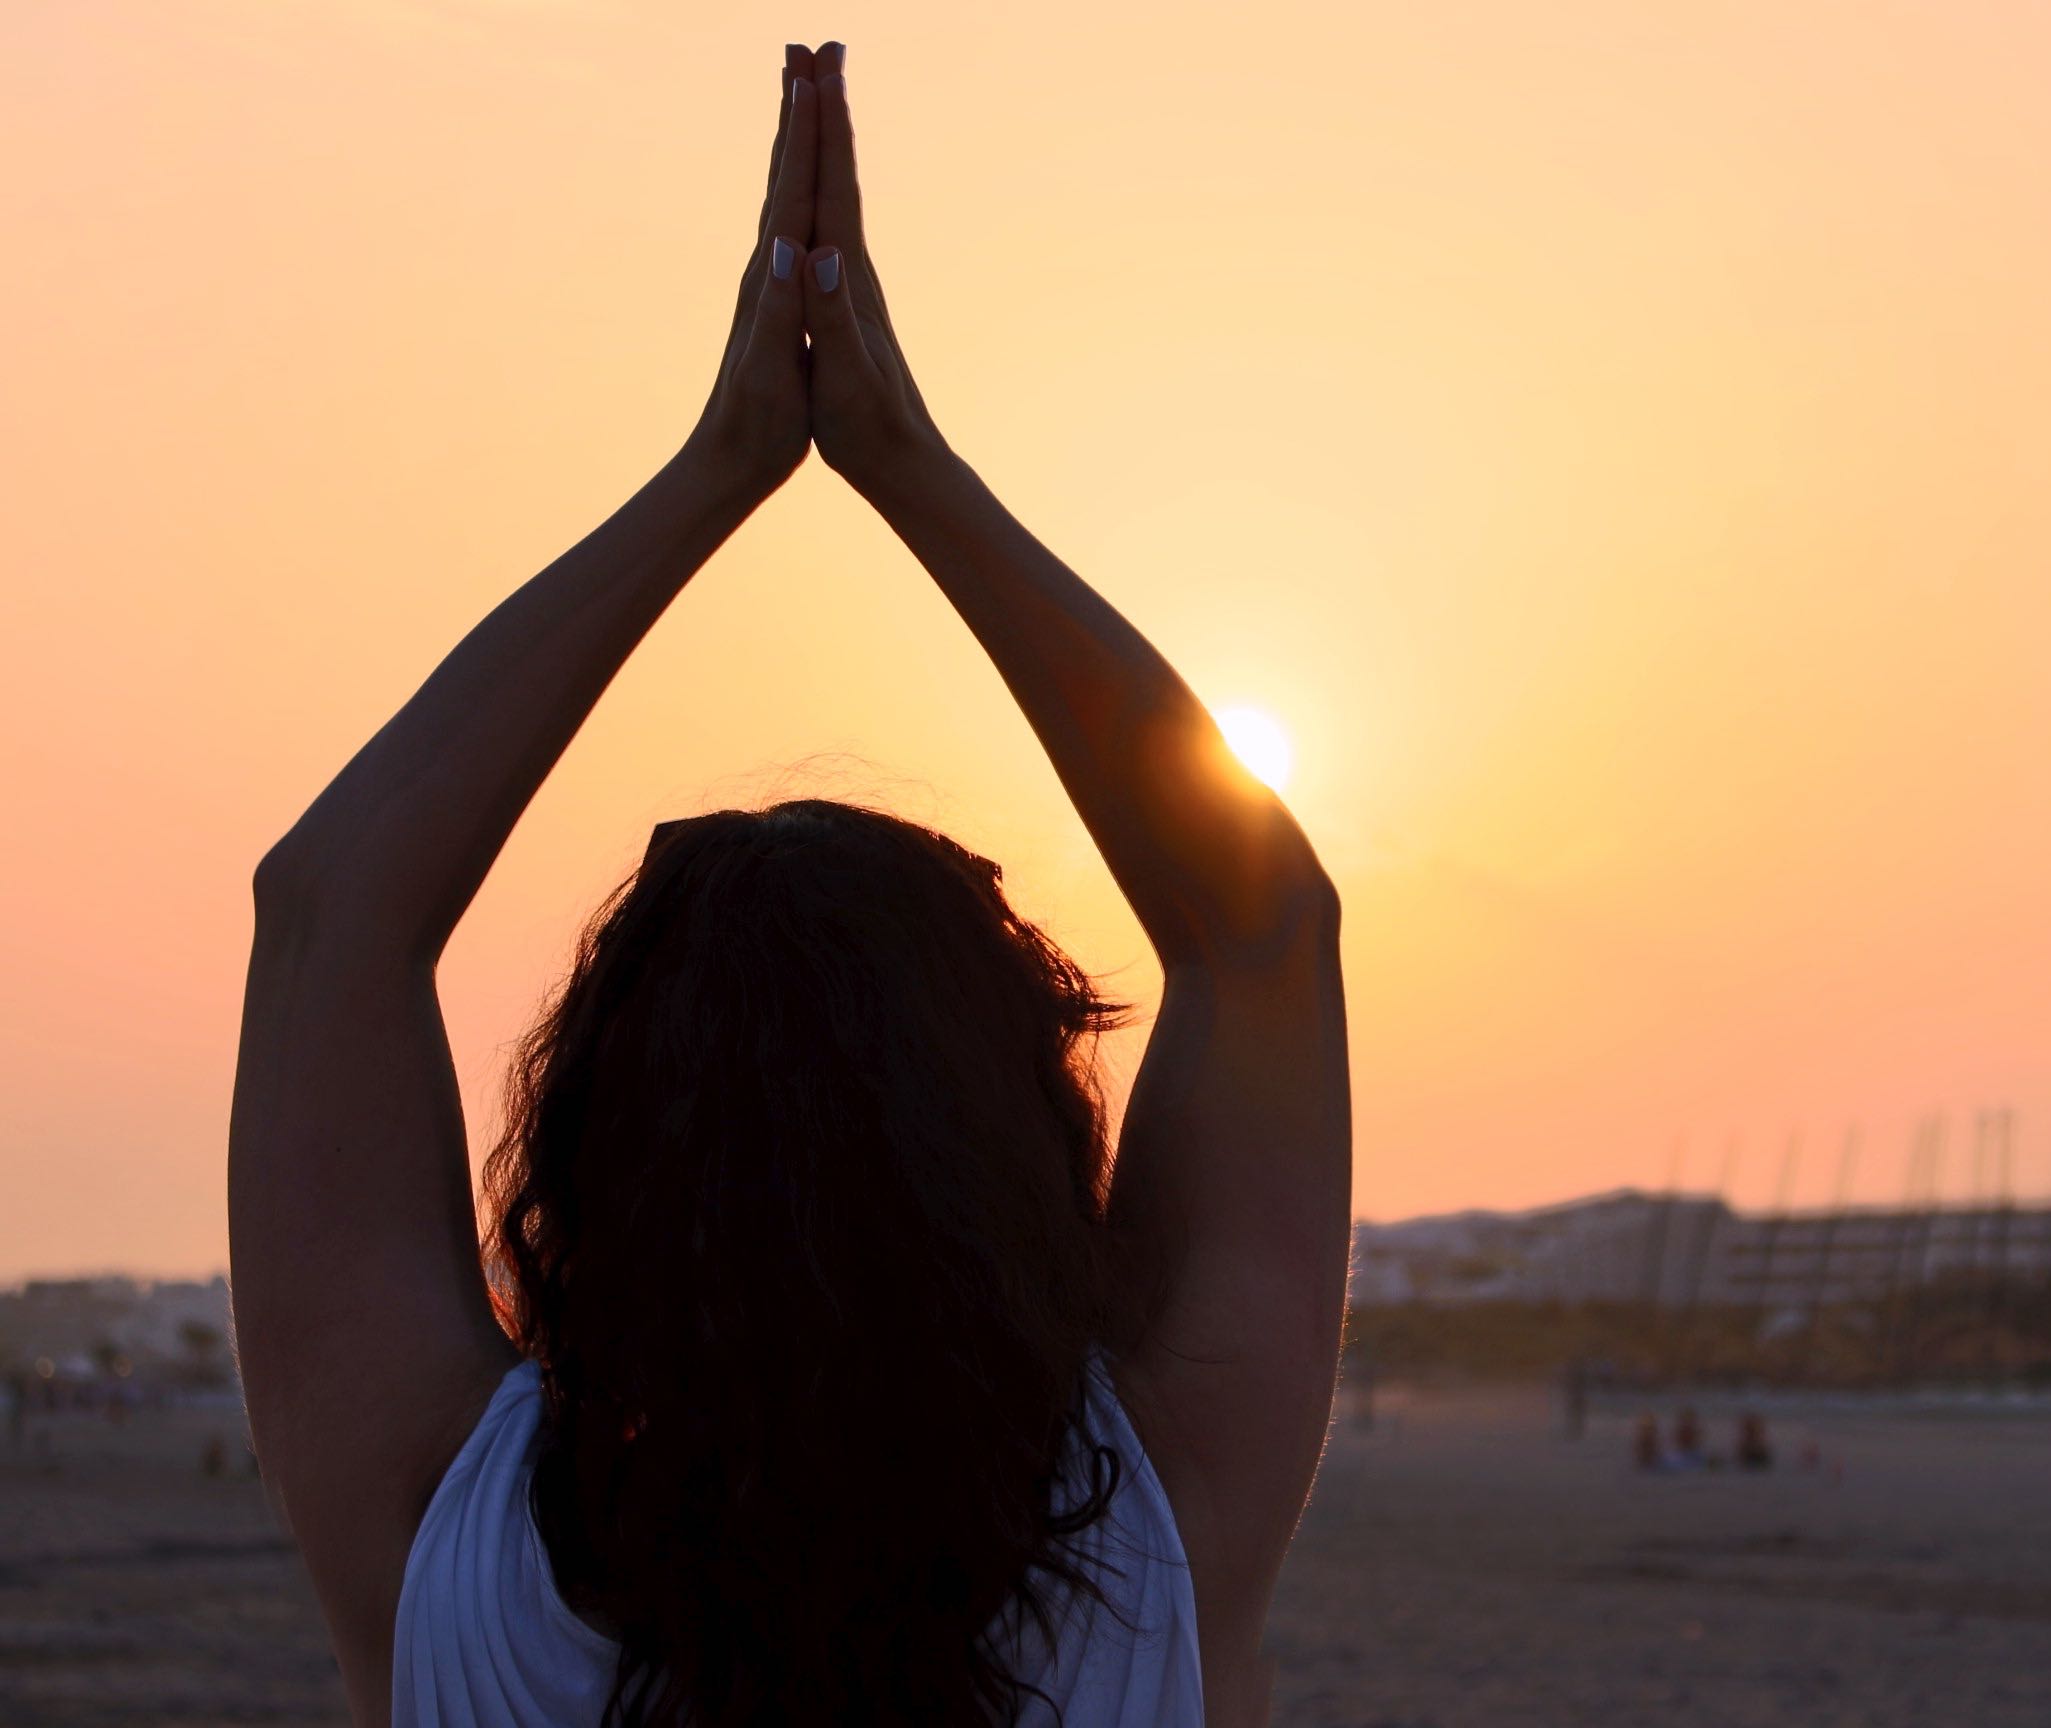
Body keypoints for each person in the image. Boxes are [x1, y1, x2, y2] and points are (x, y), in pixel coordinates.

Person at [227, 43, 1349, 1728]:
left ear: (593, 1161)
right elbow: (1261, 931)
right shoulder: (1161, 1553)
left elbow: (330, 915)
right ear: (1015, 1163)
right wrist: (908, 462)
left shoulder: (439, 1562)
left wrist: (715, 469)